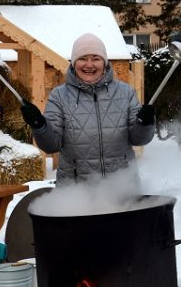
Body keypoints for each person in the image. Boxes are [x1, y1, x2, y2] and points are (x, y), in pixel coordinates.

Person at [20, 32, 155, 185]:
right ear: (74, 63)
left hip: (122, 188)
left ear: (104, 62)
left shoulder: (125, 93)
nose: (89, 65)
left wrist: (145, 123)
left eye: (96, 59)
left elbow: (139, 139)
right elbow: (51, 145)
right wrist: (39, 124)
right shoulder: (59, 96)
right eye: (82, 58)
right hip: (77, 192)